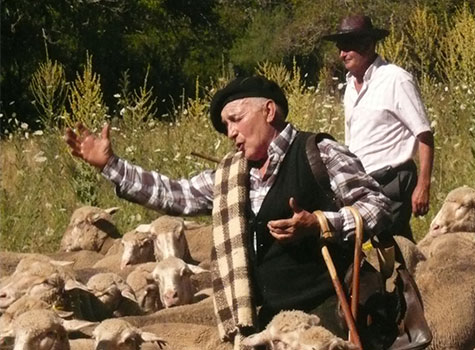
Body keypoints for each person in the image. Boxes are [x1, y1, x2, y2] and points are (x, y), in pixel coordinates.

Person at [63, 76, 391, 341]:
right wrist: (111, 165)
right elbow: (175, 194)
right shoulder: (232, 176)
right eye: (225, 126)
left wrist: (321, 223)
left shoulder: (319, 152)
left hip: (328, 309)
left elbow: (376, 207)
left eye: (235, 120)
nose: (230, 132)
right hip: (264, 317)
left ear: (269, 111)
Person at [322, 14, 434, 242]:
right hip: (365, 182)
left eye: (347, 47)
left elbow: (424, 135)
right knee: (389, 247)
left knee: (375, 242)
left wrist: (423, 186)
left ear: (368, 44)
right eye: (339, 48)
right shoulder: (350, 86)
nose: (342, 54)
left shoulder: (396, 79)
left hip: (393, 180)